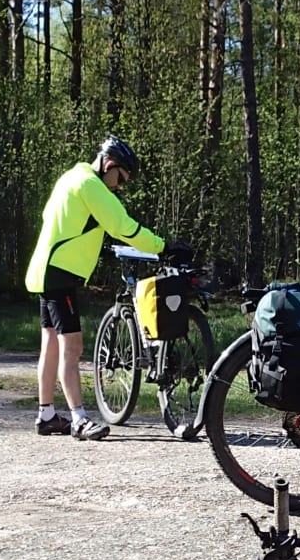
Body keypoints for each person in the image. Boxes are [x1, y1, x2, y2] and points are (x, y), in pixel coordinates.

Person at [24, 137, 191, 440]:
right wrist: (163, 247)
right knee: (72, 346)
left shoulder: (71, 177)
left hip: (46, 269)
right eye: (121, 179)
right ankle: (79, 420)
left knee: (50, 344)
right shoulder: (91, 185)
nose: (119, 187)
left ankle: (46, 415)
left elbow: (58, 219)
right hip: (59, 272)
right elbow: (122, 226)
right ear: (109, 165)